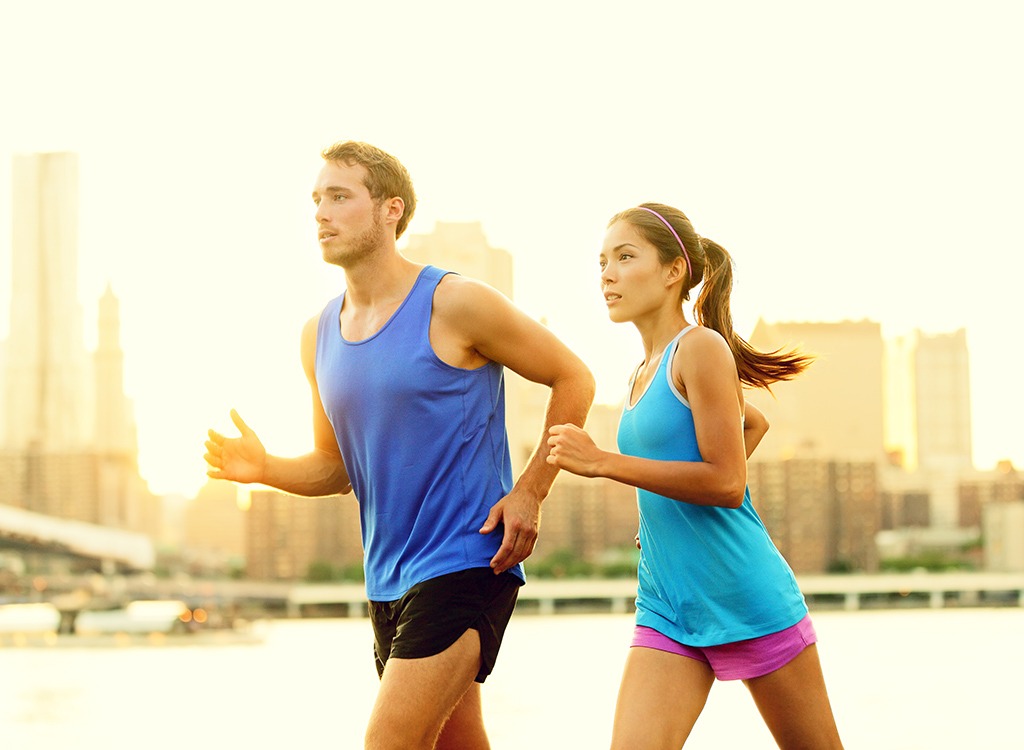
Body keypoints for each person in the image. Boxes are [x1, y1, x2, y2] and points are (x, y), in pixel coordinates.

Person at [204, 140, 595, 750]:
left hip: (469, 560)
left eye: (340, 196)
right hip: (386, 581)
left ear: (391, 210)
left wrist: (529, 492)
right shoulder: (317, 336)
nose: (321, 213)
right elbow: (336, 469)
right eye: (316, 199)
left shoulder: (455, 301)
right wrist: (265, 469)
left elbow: (574, 377)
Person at [546, 202, 844, 749]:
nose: (607, 274)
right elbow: (750, 422)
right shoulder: (643, 369)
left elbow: (728, 483)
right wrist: (666, 509)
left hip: (742, 591)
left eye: (625, 256)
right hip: (667, 602)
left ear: (672, 271)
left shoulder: (700, 347)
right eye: (602, 261)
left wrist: (604, 463)